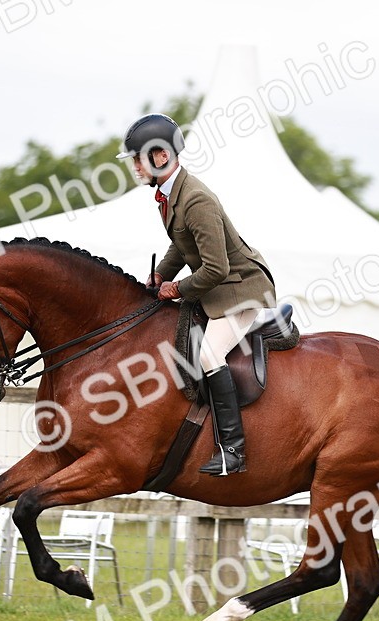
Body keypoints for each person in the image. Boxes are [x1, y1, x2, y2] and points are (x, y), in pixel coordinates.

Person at [119, 114, 276, 476]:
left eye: (137, 159)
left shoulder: (196, 199)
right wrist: (162, 274)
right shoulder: (172, 192)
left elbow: (217, 268)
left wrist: (176, 288)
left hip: (240, 288)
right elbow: (182, 245)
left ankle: (233, 451)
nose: (135, 167)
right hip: (218, 286)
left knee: (208, 354)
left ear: (160, 157)